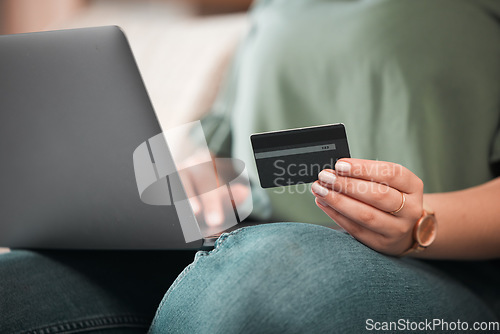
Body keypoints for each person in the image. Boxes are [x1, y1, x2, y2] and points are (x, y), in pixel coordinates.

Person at [1, 0, 500, 333]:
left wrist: (419, 223)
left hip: (445, 270)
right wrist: (201, 181)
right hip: (237, 243)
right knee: (17, 285)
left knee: (259, 275)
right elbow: (229, 141)